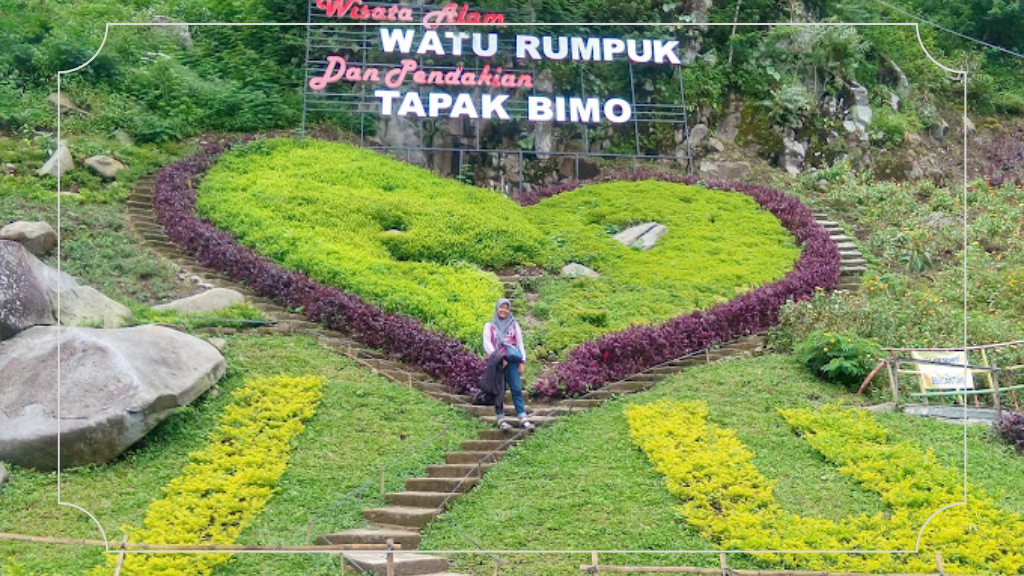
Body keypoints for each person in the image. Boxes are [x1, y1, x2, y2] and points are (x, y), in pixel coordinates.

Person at [482, 298, 534, 431]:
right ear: (497, 308)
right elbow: (487, 344)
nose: (504, 310)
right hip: (498, 363)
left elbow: (519, 343)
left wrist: (522, 361)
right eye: (501, 307)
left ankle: (523, 417)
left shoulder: (514, 325)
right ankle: (500, 419)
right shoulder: (489, 326)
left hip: (512, 361)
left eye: (506, 308)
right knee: (499, 391)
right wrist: (499, 358)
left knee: (516, 388)